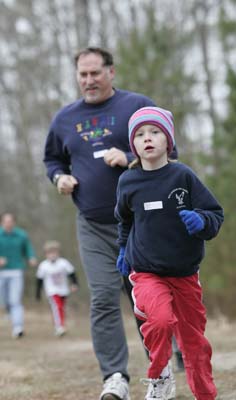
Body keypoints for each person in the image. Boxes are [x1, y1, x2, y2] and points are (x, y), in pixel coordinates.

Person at [43, 46, 159, 400]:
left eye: (95, 73)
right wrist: (59, 178)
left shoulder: (136, 106)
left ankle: (160, 369)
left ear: (111, 72)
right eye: (83, 74)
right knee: (105, 299)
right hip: (93, 224)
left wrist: (128, 156)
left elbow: (170, 149)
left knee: (146, 300)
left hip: (139, 222)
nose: (89, 80)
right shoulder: (65, 119)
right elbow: (52, 160)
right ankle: (115, 377)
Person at [115, 106, 224, 400]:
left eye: (154, 132)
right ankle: (159, 376)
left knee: (194, 343)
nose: (147, 138)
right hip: (147, 271)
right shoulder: (128, 182)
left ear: (168, 141)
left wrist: (201, 221)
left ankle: (205, 394)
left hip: (185, 273)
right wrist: (123, 248)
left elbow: (215, 215)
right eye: (139, 134)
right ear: (133, 145)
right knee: (161, 321)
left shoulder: (183, 176)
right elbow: (125, 219)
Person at [0, 212, 37, 338]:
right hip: (1, 272)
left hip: (16, 271)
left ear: (14, 222)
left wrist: (31, 257)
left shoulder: (21, 235)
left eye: (10, 221)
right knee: (4, 300)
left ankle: (18, 327)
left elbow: (28, 249)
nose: (8, 223)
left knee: (15, 300)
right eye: (6, 221)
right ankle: (8, 310)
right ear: (2, 222)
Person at [36, 240, 78, 336]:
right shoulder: (44, 265)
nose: (52, 255)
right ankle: (60, 327)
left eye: (54, 252)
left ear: (58, 253)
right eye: (49, 253)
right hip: (52, 290)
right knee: (57, 306)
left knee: (61, 308)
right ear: (46, 254)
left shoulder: (63, 263)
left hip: (63, 290)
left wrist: (74, 284)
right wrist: (38, 293)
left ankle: (59, 325)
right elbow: (39, 280)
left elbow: (72, 274)